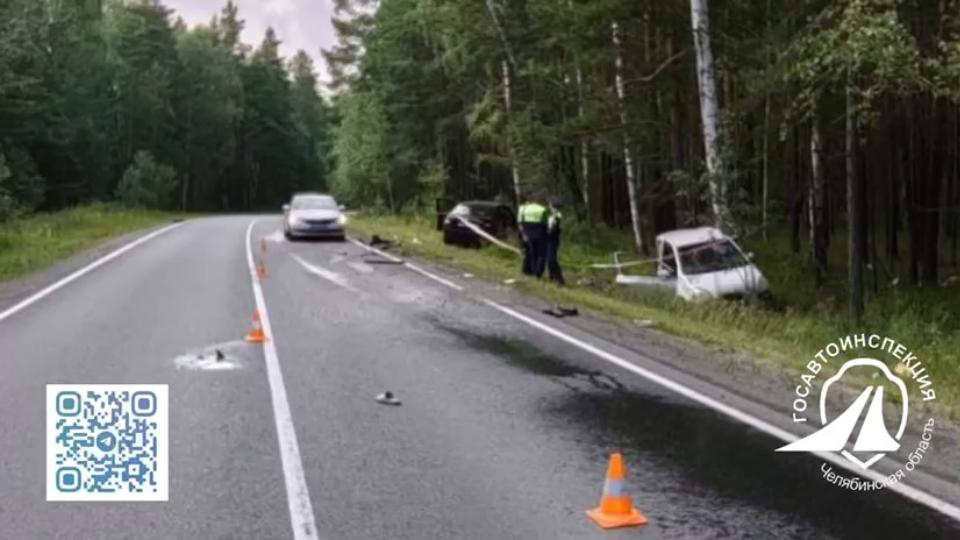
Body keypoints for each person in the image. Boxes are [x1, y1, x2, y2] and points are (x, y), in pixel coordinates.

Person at [518, 192, 548, 277]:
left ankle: (532, 271)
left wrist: (523, 234)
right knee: (541, 254)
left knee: (531, 253)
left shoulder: (523, 209)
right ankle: (538, 273)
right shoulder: (543, 209)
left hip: (528, 232)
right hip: (540, 232)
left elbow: (520, 222)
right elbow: (546, 222)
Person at [546, 198, 565, 285]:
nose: (549, 207)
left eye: (551, 205)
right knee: (549, 258)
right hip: (549, 239)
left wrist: (548, 232)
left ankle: (560, 279)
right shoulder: (552, 216)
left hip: (553, 240)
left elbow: (555, 229)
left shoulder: (558, 216)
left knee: (552, 259)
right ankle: (552, 275)